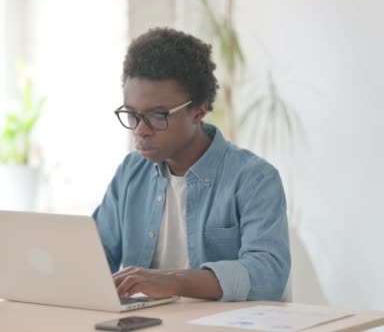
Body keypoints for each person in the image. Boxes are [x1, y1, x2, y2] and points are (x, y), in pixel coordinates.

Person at [92, 27, 290, 302]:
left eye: (157, 115)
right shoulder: (130, 173)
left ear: (198, 110)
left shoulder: (254, 179)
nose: (140, 130)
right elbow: (93, 256)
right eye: (132, 114)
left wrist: (173, 282)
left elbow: (267, 275)